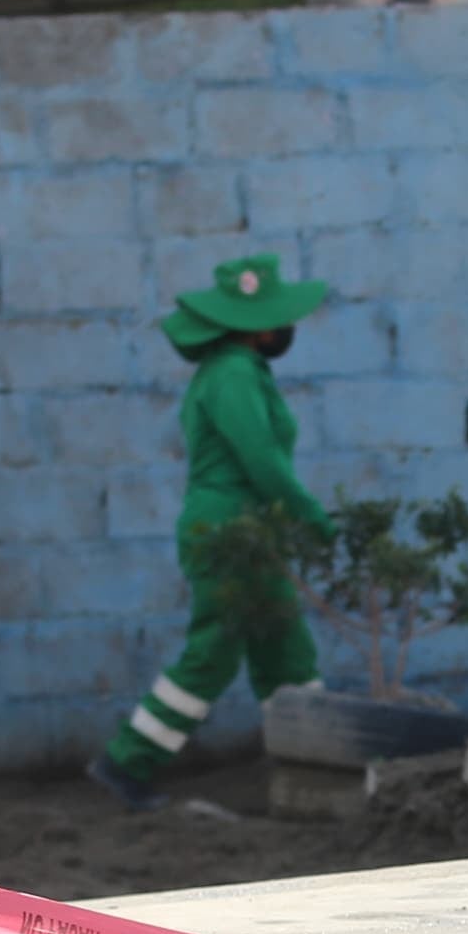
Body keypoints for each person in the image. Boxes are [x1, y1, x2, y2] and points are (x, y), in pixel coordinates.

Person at [89, 254, 336, 809]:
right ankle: (127, 762)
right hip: (228, 530)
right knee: (216, 649)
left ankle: (316, 769)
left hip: (246, 530)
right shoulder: (233, 375)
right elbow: (262, 460)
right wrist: (308, 514)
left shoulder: (240, 372)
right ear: (260, 327)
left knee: (285, 650)